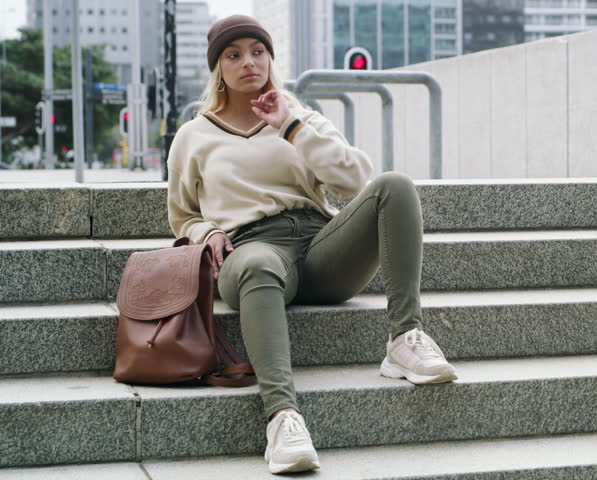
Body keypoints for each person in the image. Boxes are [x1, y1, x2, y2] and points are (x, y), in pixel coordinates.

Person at [166, 15, 458, 475]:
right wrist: (209, 233)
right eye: (234, 54)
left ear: (270, 58)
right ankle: (282, 418)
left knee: (395, 185)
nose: (249, 62)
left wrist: (292, 127)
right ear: (217, 68)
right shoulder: (194, 135)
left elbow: (358, 182)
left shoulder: (300, 116)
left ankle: (404, 338)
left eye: (258, 51)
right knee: (260, 263)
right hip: (251, 250)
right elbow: (183, 215)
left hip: (321, 245)